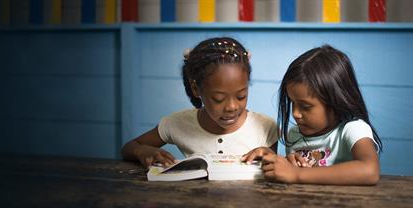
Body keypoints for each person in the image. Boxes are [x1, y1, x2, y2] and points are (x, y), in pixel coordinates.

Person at [121, 37, 278, 168]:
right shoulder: (177, 123)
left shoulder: (265, 127)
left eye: (241, 96)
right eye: (219, 99)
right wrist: (142, 151)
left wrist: (270, 157)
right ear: (196, 89)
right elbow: (128, 148)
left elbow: (272, 174)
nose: (232, 107)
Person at [242, 45, 383, 185]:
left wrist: (297, 174)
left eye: (305, 106)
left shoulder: (352, 129)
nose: (295, 114)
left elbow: (369, 171)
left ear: (335, 102)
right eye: (292, 103)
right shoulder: (294, 135)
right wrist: (273, 160)